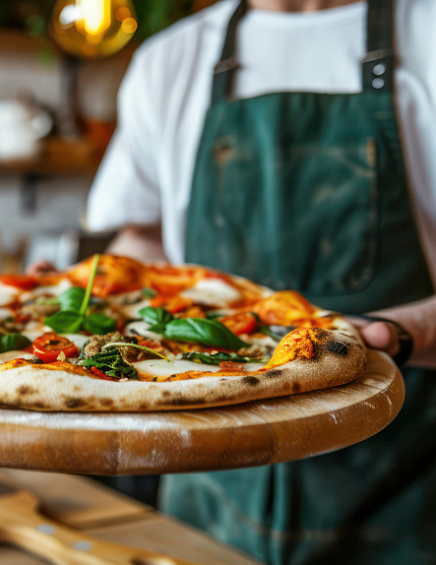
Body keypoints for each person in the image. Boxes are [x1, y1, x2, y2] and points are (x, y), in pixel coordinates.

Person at [73, 0, 436, 562]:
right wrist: (85, 296)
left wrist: (397, 334)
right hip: (205, 478)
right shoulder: (170, 59)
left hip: (398, 475)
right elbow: (144, 236)